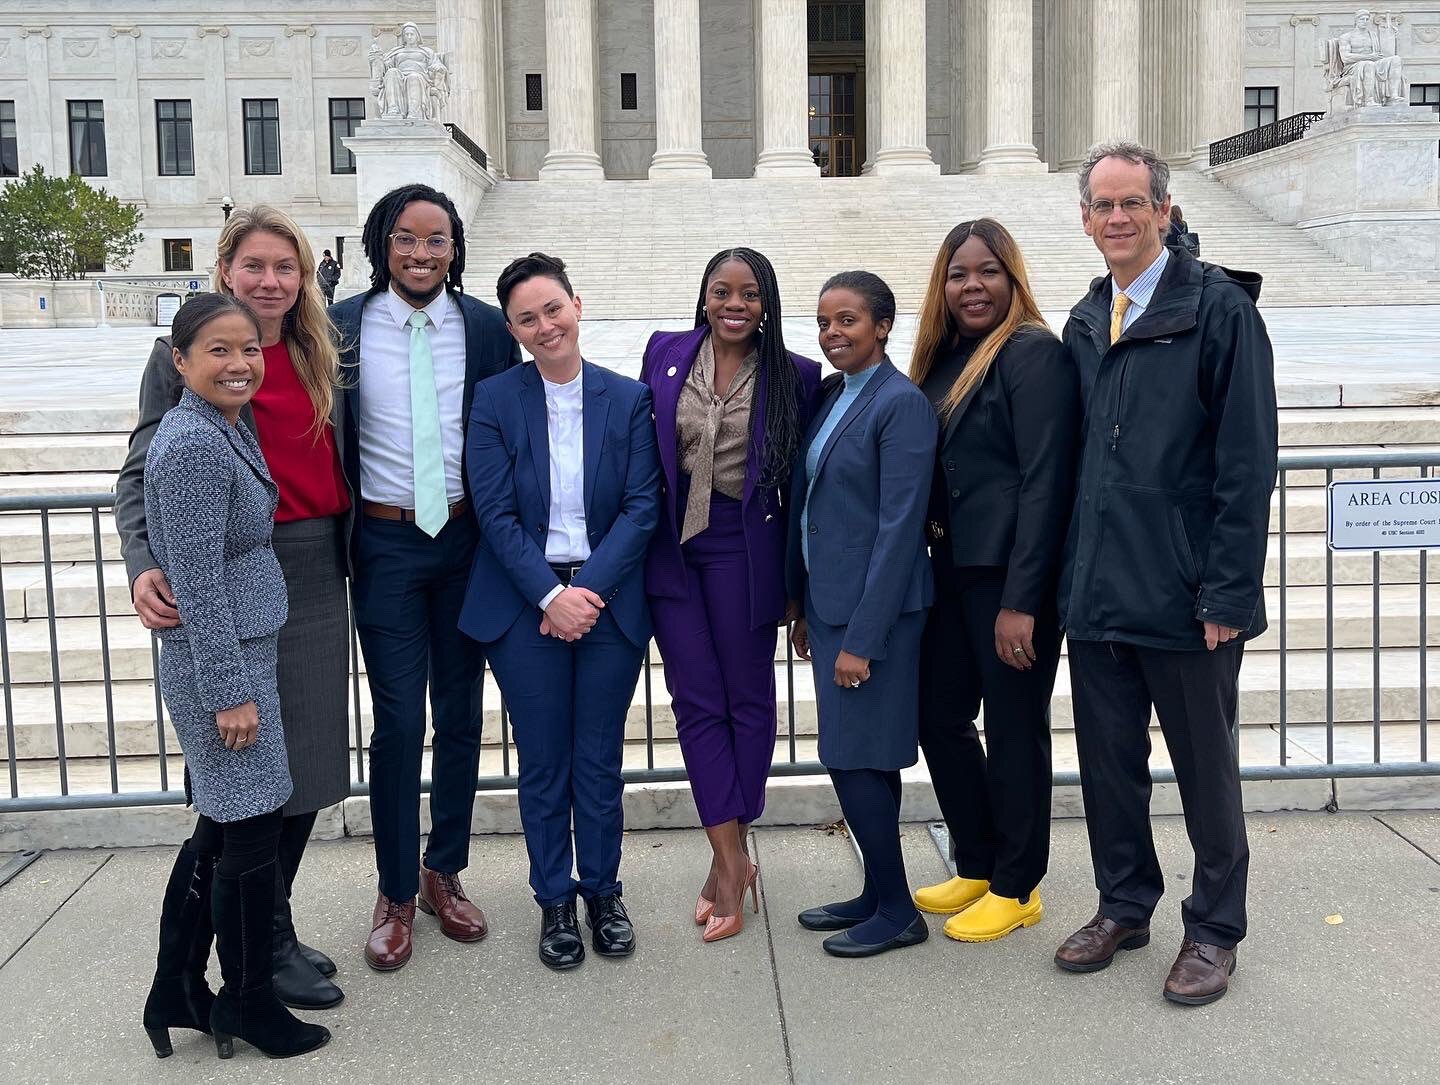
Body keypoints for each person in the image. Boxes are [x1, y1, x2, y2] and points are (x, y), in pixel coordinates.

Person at [1055, 141, 1277, 1006]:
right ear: (1084, 220)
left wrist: (1229, 591)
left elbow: (1246, 464)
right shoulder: (1086, 319)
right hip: (1100, 591)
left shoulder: (1218, 311)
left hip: (1187, 598)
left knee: (1205, 774)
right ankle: (1124, 904)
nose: (1118, 218)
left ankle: (1215, 928)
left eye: (1132, 203)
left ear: (1164, 211)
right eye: (1103, 205)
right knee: (1109, 768)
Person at [117, 205, 349, 1011]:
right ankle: (254, 950)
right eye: (254, 265)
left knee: (304, 768)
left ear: (304, 276)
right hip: (226, 566)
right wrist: (144, 562)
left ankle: (268, 930)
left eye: (285, 266)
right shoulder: (184, 354)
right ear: (225, 270)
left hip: (313, 566)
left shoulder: (319, 346)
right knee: (242, 778)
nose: (270, 281)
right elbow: (141, 467)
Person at [329, 183, 520, 972]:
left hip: (466, 542)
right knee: (401, 721)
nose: (420, 252)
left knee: (462, 715)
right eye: (405, 238)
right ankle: (395, 890)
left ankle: (445, 871)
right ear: (382, 244)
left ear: (454, 249)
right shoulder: (338, 326)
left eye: (435, 239)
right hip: (384, 544)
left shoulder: (486, 328)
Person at [140, 292, 330, 1060]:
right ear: (180, 361)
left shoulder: (222, 424)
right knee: (249, 834)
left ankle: (178, 986)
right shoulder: (192, 444)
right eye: (217, 350)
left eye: (248, 348)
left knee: (222, 827)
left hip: (242, 650)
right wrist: (229, 692)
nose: (239, 363)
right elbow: (196, 581)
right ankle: (248, 1000)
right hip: (222, 662)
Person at [460, 253, 659, 970]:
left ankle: (603, 891)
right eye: (526, 318)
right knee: (544, 761)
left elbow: (642, 507)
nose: (545, 326)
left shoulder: (628, 398)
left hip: (607, 601)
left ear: (577, 304)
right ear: (513, 329)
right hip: (524, 606)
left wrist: (585, 595)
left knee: (598, 759)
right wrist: (550, 596)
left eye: (553, 309)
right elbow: (493, 510)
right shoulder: (494, 399)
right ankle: (554, 899)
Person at [640, 247, 822, 942]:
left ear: (766, 302)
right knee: (695, 702)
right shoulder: (665, 352)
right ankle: (731, 859)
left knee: (747, 702)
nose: (735, 305)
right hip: (673, 548)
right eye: (723, 291)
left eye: (749, 293)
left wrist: (799, 589)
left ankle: (727, 860)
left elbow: (801, 487)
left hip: (746, 549)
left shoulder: (796, 375)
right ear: (705, 295)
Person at [907, 219, 1080, 942]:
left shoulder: (1032, 353)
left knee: (1012, 730)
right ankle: (977, 862)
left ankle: (1018, 883)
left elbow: (1046, 482)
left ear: (1013, 278)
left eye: (988, 272)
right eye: (958, 274)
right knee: (936, 715)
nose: (972, 286)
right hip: (948, 571)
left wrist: (1021, 602)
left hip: (1010, 580)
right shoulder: (942, 358)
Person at [787, 271, 938, 958]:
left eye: (847, 320)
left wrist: (862, 638)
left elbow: (899, 529)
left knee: (854, 757)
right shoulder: (833, 394)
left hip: (875, 618)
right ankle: (879, 893)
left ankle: (899, 910)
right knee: (862, 757)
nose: (832, 333)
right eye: (824, 322)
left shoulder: (900, 404)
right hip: (831, 607)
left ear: (882, 326)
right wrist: (803, 605)